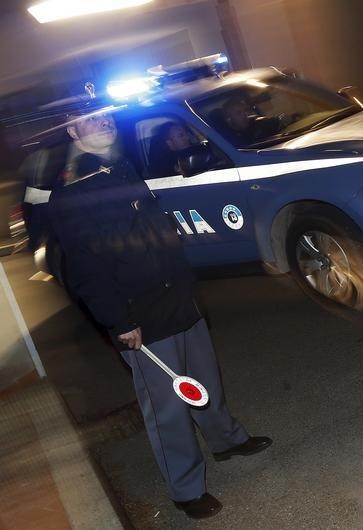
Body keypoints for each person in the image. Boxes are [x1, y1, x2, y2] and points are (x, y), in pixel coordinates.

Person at [48, 99, 272, 520]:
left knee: (205, 379)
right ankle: (186, 489)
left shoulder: (121, 169)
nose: (104, 123)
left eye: (107, 116)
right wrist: (119, 322)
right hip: (141, 315)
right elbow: (87, 268)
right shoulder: (72, 194)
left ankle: (226, 439)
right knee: (167, 406)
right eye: (90, 120)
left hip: (178, 297)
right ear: (73, 133)